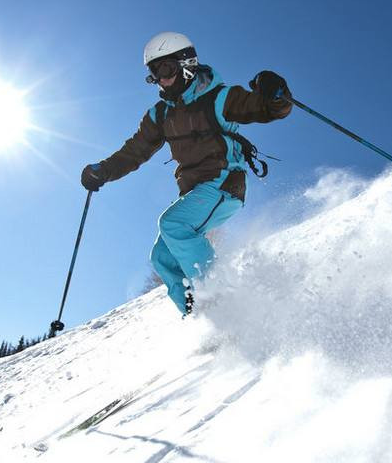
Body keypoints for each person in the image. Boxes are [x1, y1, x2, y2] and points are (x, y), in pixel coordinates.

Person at [81, 32, 292, 316]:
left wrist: (276, 94)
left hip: (223, 182)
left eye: (166, 69)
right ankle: (200, 315)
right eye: (155, 73)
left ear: (187, 63)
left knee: (173, 225)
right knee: (162, 258)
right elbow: (135, 151)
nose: (161, 79)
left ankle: (222, 304)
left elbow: (267, 108)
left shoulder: (219, 98)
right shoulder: (160, 115)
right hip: (196, 193)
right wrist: (104, 171)